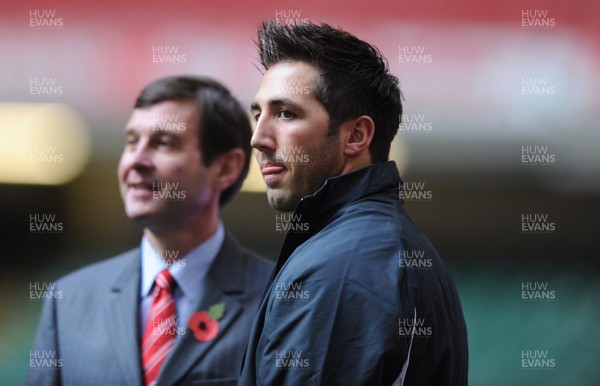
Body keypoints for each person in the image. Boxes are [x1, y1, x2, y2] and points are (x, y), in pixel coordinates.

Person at [239, 21, 468, 386]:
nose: (258, 138)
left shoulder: (343, 265)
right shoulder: (375, 245)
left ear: (356, 136)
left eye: (285, 113)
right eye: (258, 114)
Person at [28, 75, 273, 386]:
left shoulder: (276, 300)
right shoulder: (69, 300)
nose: (136, 160)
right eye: (131, 142)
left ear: (225, 168)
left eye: (164, 143)